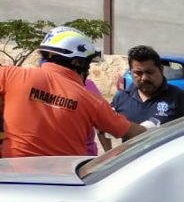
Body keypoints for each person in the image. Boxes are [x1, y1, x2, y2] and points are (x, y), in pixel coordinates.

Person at [0, 26, 146, 157]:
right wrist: (152, 128)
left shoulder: (11, 76)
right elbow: (130, 131)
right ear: (77, 62)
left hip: (13, 175)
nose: (88, 70)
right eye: (88, 64)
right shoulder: (91, 101)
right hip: (65, 177)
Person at [101, 45, 184, 151]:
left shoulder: (180, 98)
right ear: (131, 72)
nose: (144, 78)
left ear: (161, 70)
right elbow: (103, 127)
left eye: (150, 72)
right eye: (138, 73)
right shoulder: (121, 98)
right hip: (133, 160)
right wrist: (108, 154)